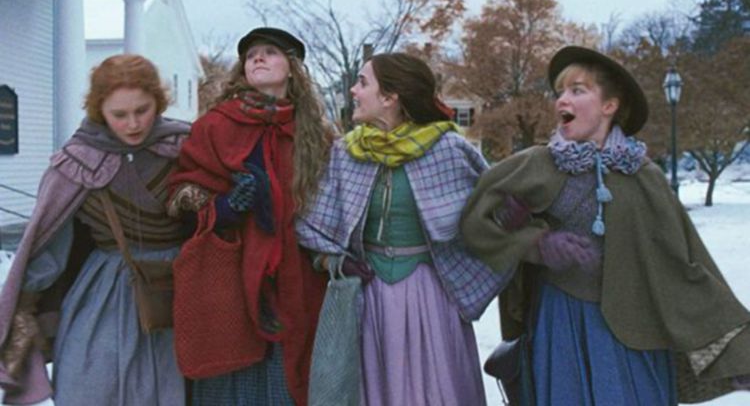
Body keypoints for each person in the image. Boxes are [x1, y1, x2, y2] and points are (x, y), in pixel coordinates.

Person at [460, 45, 750, 405]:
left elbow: (686, 263)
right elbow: (476, 223)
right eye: (559, 92)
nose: (562, 99)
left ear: (609, 106)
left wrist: (736, 348)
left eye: (577, 90)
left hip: (638, 334)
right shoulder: (537, 165)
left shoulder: (644, 176)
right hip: (561, 325)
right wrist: (537, 244)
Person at [297, 52, 508, 405]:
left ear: (390, 97)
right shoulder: (346, 153)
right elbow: (315, 227)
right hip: (370, 299)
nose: (353, 90)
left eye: (363, 82)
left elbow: (492, 218)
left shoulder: (448, 149)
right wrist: (336, 263)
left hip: (431, 298)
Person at [0, 54, 190, 405]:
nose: (133, 123)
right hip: (104, 291)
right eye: (119, 114)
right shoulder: (78, 162)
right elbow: (50, 242)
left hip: (178, 288)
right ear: (99, 109)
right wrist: (26, 303)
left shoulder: (184, 147)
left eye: (143, 110)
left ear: (158, 103)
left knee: (173, 386)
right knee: (92, 382)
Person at [168, 27, 333, 406]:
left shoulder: (314, 133)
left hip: (297, 274)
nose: (258, 57)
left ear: (292, 68)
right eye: (251, 53)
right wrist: (225, 208)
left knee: (291, 373)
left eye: (271, 52)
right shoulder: (214, 125)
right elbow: (182, 194)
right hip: (232, 274)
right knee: (232, 376)